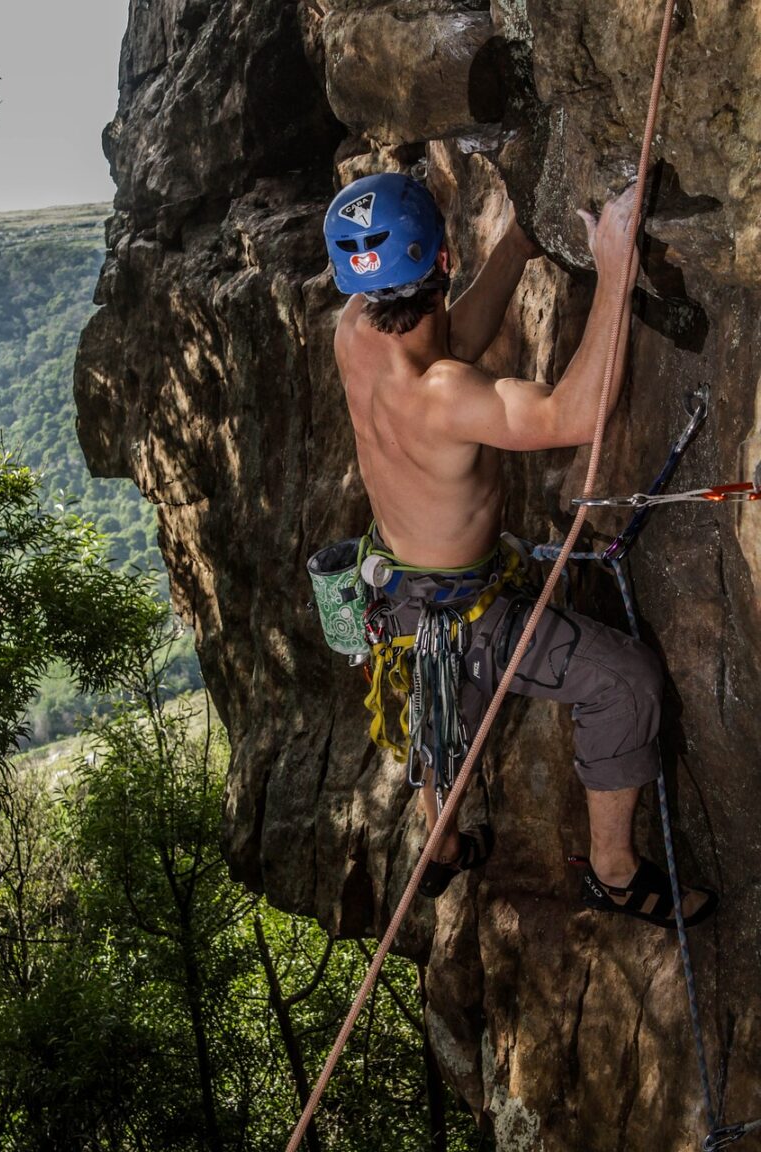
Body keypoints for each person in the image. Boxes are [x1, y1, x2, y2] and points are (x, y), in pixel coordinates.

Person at [323, 171, 716, 928]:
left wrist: (517, 247)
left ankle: (441, 843)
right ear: (441, 262)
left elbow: (449, 337)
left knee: (442, 701)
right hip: (463, 611)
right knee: (625, 680)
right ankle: (615, 872)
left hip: (399, 591)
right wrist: (613, 271)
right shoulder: (443, 396)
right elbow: (575, 415)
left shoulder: (355, 333)